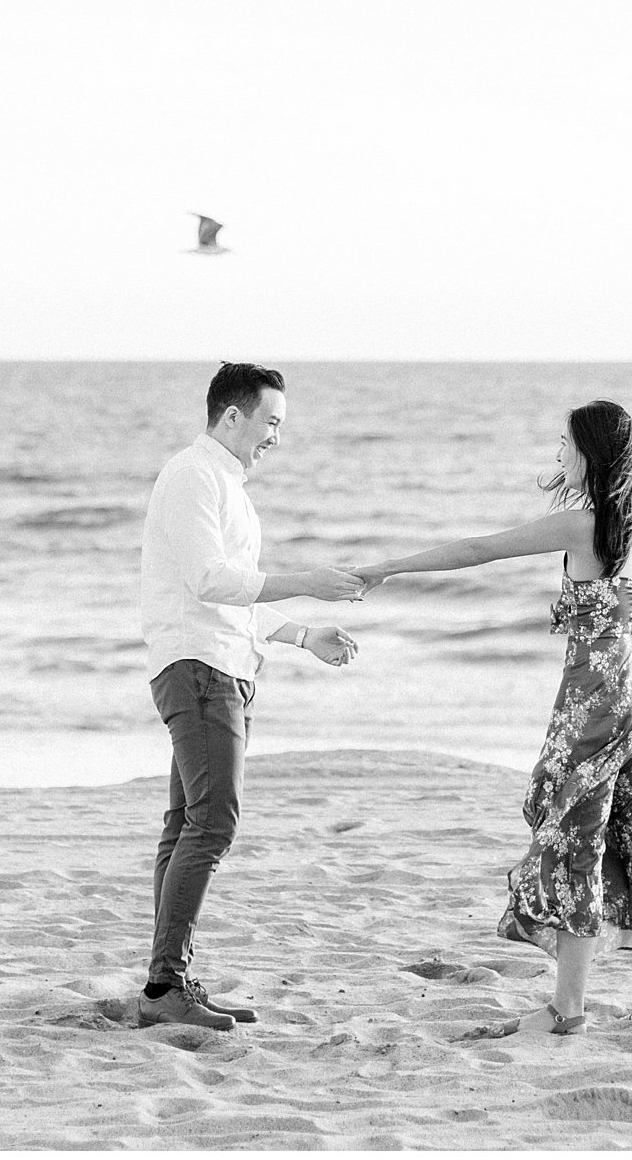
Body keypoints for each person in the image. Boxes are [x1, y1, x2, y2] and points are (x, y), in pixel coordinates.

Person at [354, 399, 632, 1035]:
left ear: (591, 454)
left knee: (577, 848)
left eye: (565, 444)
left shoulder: (582, 524)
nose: (557, 453)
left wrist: (388, 567)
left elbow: (480, 549)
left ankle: (568, 1009)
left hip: (594, 704)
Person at [138, 362, 366, 1031]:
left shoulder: (223, 484)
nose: (276, 437)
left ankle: (167, 978)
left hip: (223, 664)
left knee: (187, 824)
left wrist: (301, 633)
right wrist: (304, 581)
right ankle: (165, 983)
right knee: (214, 822)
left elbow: (233, 597)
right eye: (270, 421)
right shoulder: (192, 475)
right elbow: (211, 579)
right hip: (200, 668)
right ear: (231, 415)